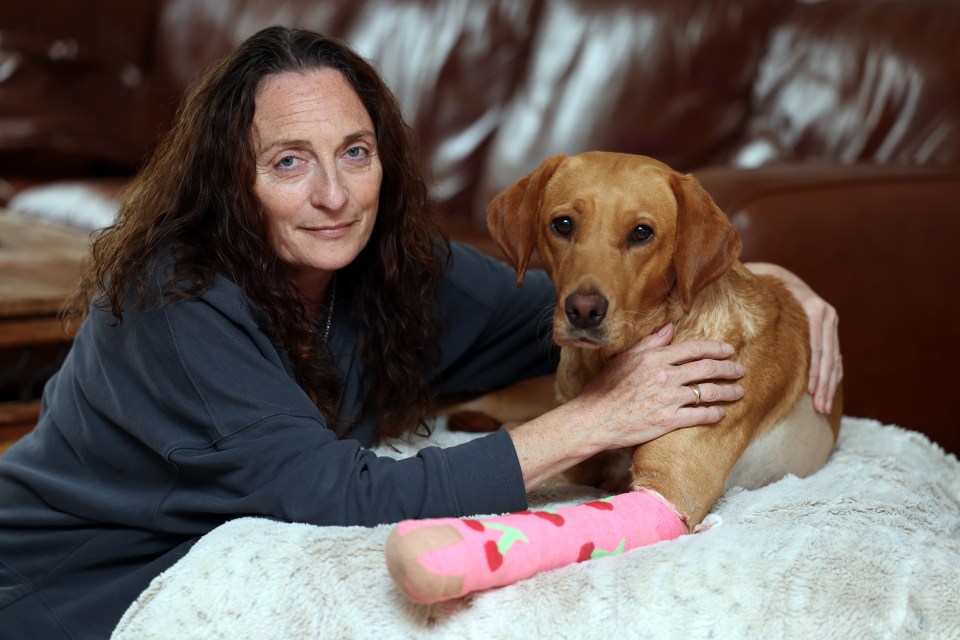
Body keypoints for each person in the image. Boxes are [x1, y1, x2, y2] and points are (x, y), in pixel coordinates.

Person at [0, 26, 841, 638]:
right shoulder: (174, 303)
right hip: (70, 592)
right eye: (289, 161)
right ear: (229, 181)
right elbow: (337, 497)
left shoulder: (386, 267)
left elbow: (571, 314)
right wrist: (593, 421)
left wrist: (768, 283)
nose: (335, 194)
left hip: (210, 573)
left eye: (355, 153)